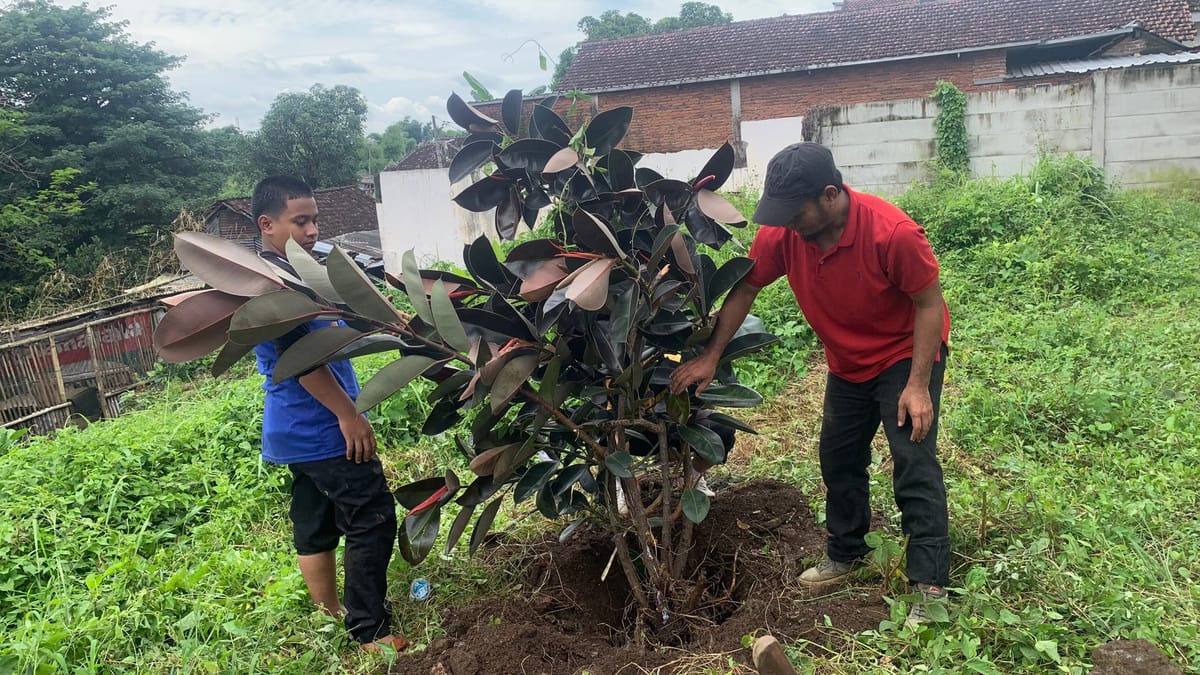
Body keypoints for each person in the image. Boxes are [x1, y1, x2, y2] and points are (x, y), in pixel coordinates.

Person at [669, 143, 951, 627]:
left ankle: (929, 585)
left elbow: (929, 304)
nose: (784, 224)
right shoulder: (787, 234)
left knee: (912, 459)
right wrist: (711, 356)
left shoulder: (893, 234)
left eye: (793, 212)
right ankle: (846, 553)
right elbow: (748, 286)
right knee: (838, 458)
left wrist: (919, 384)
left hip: (904, 355)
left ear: (829, 196)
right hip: (846, 364)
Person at [251, 175, 406, 651]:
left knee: (315, 519)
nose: (313, 229)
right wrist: (349, 416)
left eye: (315, 219)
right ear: (268, 224)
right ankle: (369, 631)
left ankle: (329, 612)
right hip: (320, 423)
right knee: (372, 516)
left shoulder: (298, 273)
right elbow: (303, 364)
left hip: (292, 428)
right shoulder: (271, 287)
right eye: (301, 221)